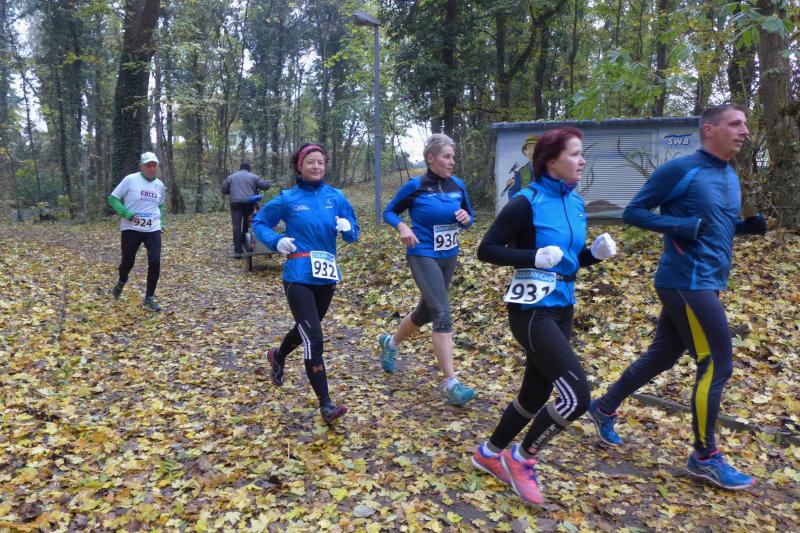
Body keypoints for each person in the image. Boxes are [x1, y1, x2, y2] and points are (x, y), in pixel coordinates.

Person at [587, 104, 767, 491]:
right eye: (735, 124)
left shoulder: (729, 173)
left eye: (745, 125)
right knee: (716, 363)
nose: (744, 131)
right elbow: (634, 212)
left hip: (707, 280)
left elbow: (711, 227)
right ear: (709, 130)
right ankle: (704, 457)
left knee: (664, 355)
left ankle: (602, 407)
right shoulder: (681, 169)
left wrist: (743, 228)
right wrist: (680, 226)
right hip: (687, 280)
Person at [471, 126, 617, 505]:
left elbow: (568, 261)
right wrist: (531, 257)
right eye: (575, 154)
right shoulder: (526, 202)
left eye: (582, 153)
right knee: (577, 397)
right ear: (551, 161)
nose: (582, 160)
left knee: (535, 393)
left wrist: (592, 255)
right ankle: (522, 458)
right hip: (532, 310)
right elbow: (487, 250)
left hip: (563, 307)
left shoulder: (577, 203)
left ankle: (489, 453)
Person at [254, 143, 358, 423]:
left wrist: (348, 228)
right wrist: (276, 241)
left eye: (320, 162)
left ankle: (278, 355)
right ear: (300, 166)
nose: (316, 167)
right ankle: (326, 404)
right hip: (297, 276)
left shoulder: (336, 197)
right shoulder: (287, 198)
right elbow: (259, 223)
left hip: (326, 276)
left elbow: (353, 233)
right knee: (314, 337)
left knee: (306, 329)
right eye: (310, 162)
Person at [377, 133, 476, 405]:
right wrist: (402, 226)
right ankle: (452, 384)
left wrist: (466, 219)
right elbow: (389, 211)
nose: (452, 161)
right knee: (442, 313)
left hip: (449, 255)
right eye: (447, 157)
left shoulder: (457, 185)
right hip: (422, 253)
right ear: (430, 158)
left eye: (453, 157)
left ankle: (390, 343)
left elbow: (470, 218)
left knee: (425, 312)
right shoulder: (415, 186)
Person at [108, 151, 167, 312]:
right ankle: (121, 281)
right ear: (141, 166)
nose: (151, 168)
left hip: (152, 228)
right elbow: (112, 199)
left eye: (154, 165)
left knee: (155, 262)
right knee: (127, 262)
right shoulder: (130, 180)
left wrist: (161, 222)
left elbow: (160, 205)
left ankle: (149, 299)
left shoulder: (160, 185)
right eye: (148, 165)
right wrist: (127, 214)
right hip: (131, 228)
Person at [221, 161, 272, 258]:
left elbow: (224, 190)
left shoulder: (231, 177)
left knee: (236, 226)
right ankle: (246, 243)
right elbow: (264, 186)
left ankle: (238, 252)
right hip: (248, 203)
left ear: (240, 168)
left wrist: (232, 192)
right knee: (247, 223)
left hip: (235, 203)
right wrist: (269, 182)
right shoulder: (253, 177)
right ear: (249, 169)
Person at [504, 134, 537, 198]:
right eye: (529, 147)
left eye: (535, 147)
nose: (532, 151)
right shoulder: (521, 173)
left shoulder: (549, 169)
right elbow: (514, 199)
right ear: (525, 152)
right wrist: (512, 187)